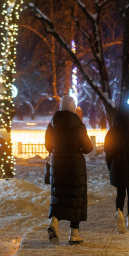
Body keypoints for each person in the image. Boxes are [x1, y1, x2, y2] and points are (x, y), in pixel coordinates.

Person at [45, 96, 94, 244]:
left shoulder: (52, 124)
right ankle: (74, 233)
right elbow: (87, 148)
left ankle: (54, 222)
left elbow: (48, 146)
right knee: (75, 197)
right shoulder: (79, 125)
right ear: (73, 108)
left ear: (61, 107)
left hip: (58, 164)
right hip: (75, 166)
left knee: (59, 195)